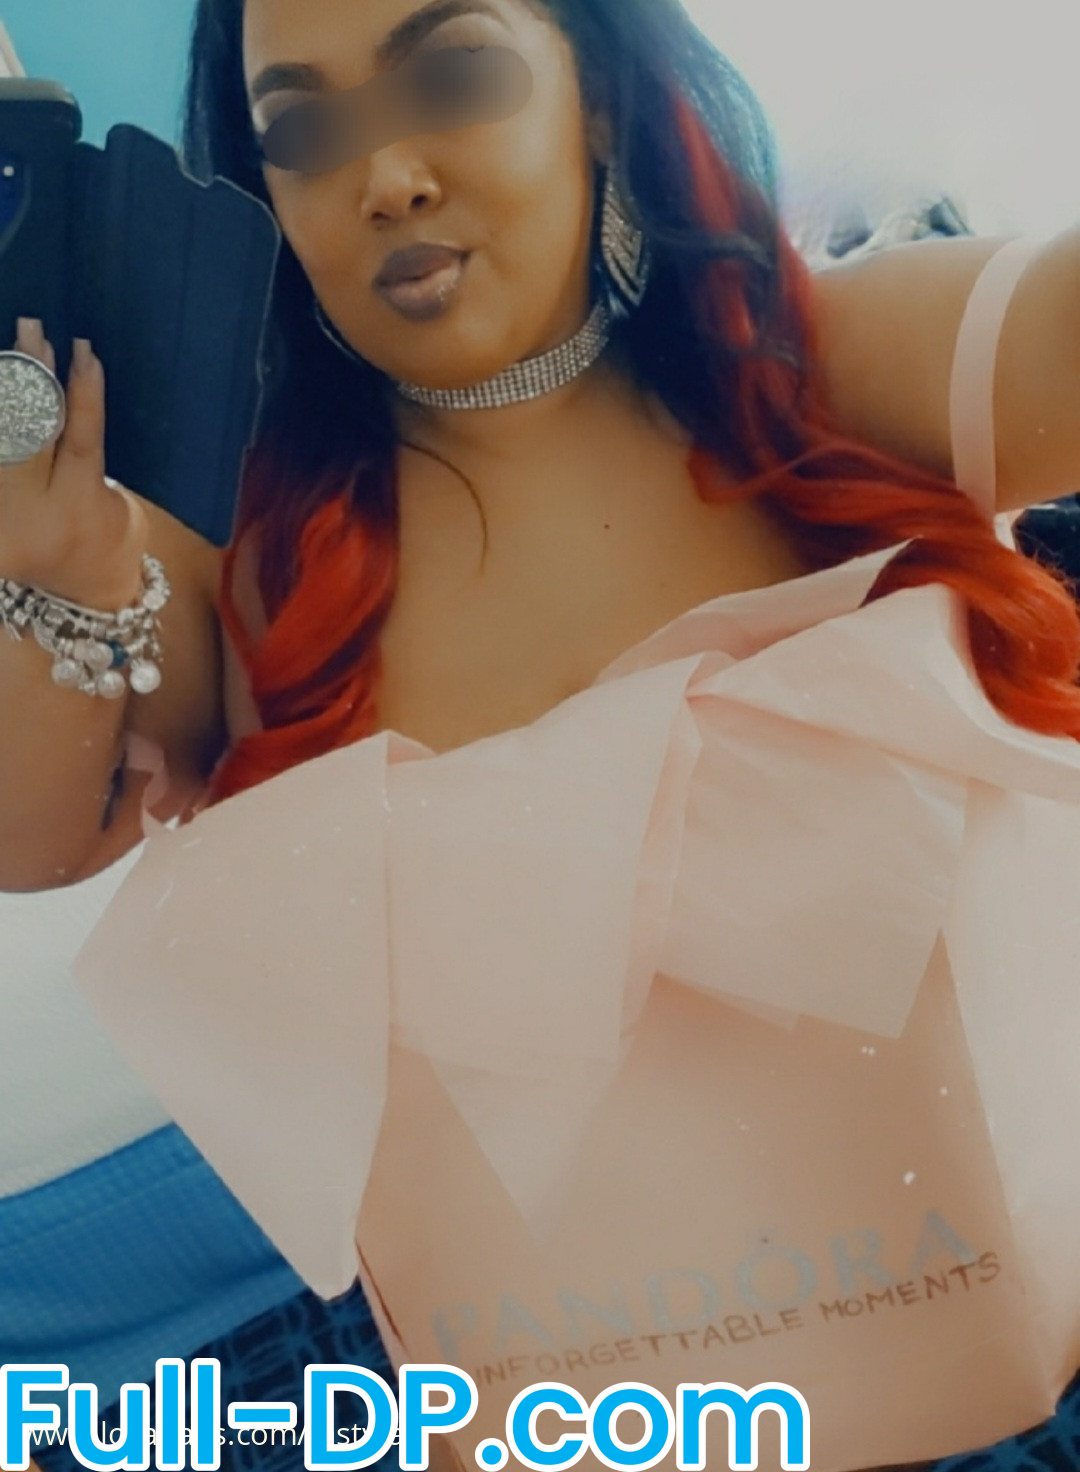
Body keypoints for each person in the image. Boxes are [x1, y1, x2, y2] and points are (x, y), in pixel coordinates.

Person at [5, 0, 1080, 1467]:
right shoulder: (242, 563)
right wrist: (53, 579)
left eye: (452, 72)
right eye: (305, 129)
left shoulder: (819, 370)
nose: (386, 177)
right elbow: (27, 840)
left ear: (603, 97)